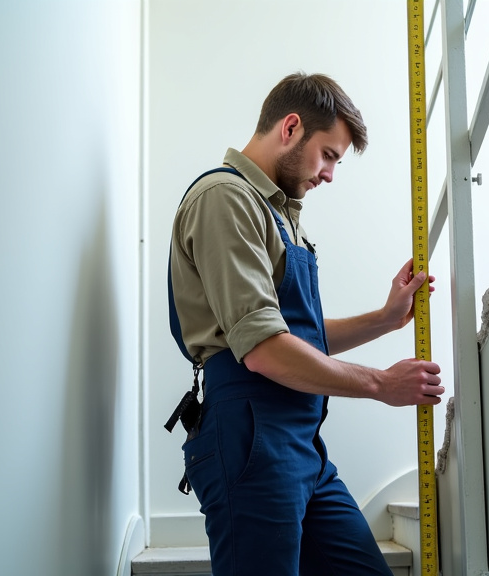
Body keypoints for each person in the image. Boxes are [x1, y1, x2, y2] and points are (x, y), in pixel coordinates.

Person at [166, 72, 445, 576]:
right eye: (329, 155)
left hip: (302, 446)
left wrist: (384, 319)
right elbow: (265, 350)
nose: (330, 174)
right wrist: (382, 384)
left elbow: (298, 337)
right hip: (251, 439)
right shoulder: (225, 199)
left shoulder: (280, 213)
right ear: (291, 127)